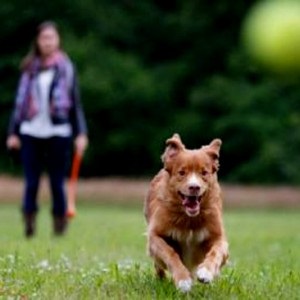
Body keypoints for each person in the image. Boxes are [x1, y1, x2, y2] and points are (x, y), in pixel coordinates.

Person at [6, 21, 88, 237]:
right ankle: (29, 221)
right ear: (38, 41)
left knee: (55, 182)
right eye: (44, 38)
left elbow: (75, 103)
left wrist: (81, 133)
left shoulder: (66, 68)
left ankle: (59, 224)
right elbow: (19, 103)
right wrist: (12, 133)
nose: (48, 42)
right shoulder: (29, 68)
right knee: (31, 181)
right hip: (30, 130)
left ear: (58, 40)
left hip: (58, 131)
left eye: (51, 38)